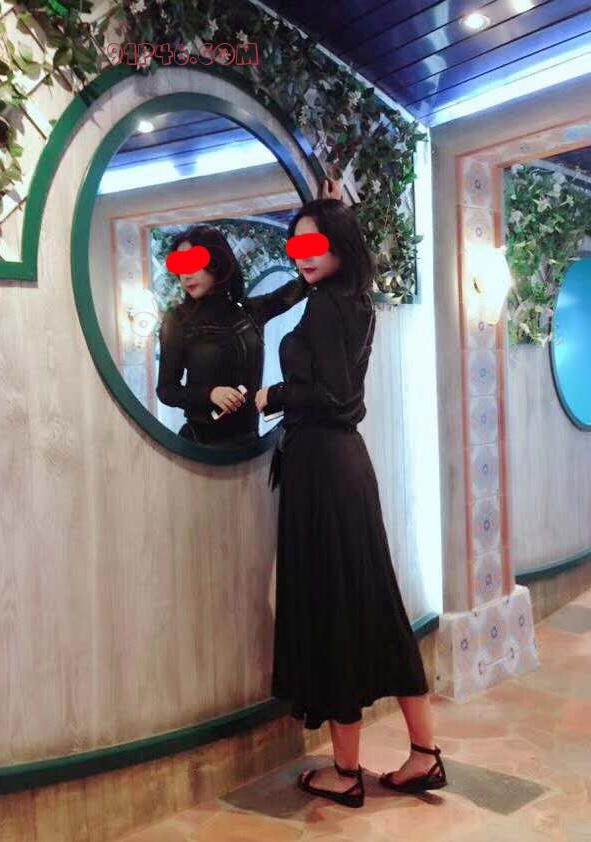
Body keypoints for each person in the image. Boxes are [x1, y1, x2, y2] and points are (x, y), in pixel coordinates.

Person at [254, 183, 447, 808]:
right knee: (374, 603)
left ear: (340, 246)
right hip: (342, 466)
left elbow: (332, 395)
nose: (304, 254)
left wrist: (270, 396)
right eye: (297, 245)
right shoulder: (352, 300)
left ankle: (344, 772)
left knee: (333, 607)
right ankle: (424, 754)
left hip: (323, 468)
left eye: (316, 243)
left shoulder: (328, 307)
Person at [155, 224, 309, 446]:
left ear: (217, 262)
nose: (185, 275)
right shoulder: (177, 320)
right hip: (200, 447)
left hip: (249, 445)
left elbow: (302, 285)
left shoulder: (249, 311)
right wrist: (210, 394)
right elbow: (166, 390)